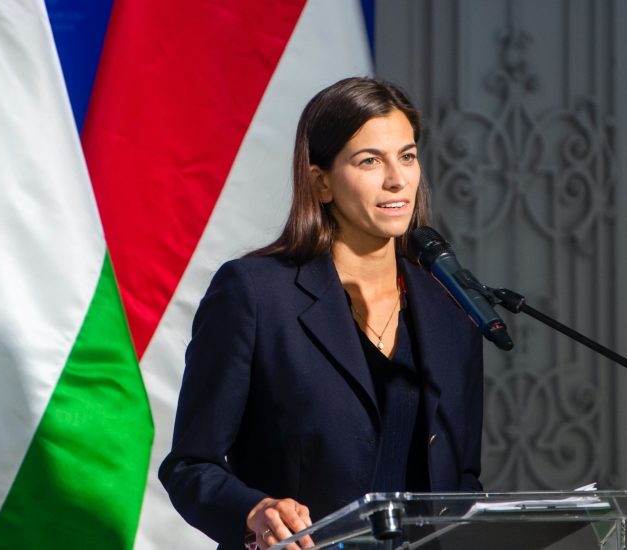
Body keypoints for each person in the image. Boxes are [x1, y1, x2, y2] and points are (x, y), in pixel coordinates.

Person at [158, 77, 484, 550]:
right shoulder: (255, 294)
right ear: (321, 182)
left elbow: (463, 478)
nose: (397, 179)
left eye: (407, 156)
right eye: (370, 161)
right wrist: (255, 512)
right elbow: (190, 466)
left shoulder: (451, 308)